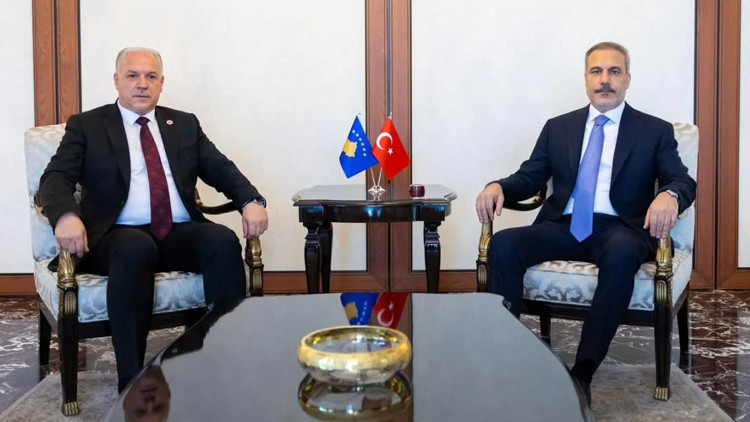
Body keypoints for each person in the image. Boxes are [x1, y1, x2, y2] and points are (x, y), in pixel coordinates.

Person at [475, 41, 696, 404]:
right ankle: (507, 356)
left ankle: (582, 373)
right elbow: (530, 177)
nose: (605, 79)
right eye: (597, 71)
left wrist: (668, 195)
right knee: (504, 244)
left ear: (627, 79)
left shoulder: (653, 130)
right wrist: (497, 186)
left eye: (614, 71)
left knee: (622, 253)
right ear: (586, 79)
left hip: (621, 229)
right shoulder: (558, 127)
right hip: (564, 225)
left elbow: (681, 179)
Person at [38, 47, 269, 392]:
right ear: (117, 81)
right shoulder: (88, 126)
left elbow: (221, 169)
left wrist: (251, 200)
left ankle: (223, 361)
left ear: (162, 83)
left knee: (221, 240)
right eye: (132, 75)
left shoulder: (184, 124)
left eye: (151, 76)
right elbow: (55, 178)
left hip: (176, 232)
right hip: (116, 236)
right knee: (136, 248)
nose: (142, 84)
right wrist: (66, 216)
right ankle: (132, 382)